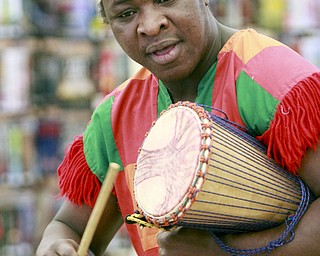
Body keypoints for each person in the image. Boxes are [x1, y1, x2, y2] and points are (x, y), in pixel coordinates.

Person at [36, 0, 320, 255]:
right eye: (126, 13)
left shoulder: (273, 81)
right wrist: (56, 244)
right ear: (108, 23)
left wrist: (222, 252)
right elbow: (68, 226)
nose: (149, 25)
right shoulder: (114, 118)